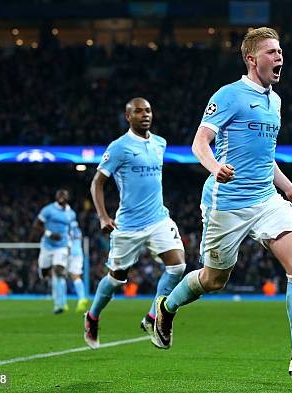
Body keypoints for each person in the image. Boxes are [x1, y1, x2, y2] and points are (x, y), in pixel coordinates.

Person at [152, 27, 292, 379]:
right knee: (214, 280)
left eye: (280, 51)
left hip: (267, 199)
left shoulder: (275, 101)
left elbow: (266, 159)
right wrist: (216, 167)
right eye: (271, 52)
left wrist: (291, 189)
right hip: (228, 203)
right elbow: (199, 143)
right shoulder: (230, 95)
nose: (279, 57)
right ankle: (167, 306)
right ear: (252, 59)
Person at [84, 97, 186, 349]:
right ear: (128, 116)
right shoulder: (119, 147)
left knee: (177, 266)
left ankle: (153, 317)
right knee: (117, 278)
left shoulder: (160, 143)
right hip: (128, 225)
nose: (145, 115)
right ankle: (92, 316)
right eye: (139, 111)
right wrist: (103, 216)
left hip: (158, 219)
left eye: (148, 110)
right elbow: (97, 182)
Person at [31, 189, 76, 314]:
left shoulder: (71, 213)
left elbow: (71, 231)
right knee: (44, 272)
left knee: (58, 271)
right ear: (56, 197)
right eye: (59, 194)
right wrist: (49, 234)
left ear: (68, 197)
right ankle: (49, 276)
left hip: (61, 247)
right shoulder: (48, 210)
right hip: (47, 246)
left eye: (64, 194)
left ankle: (59, 304)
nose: (61, 196)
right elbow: (36, 225)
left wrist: (69, 245)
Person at [69, 220, 89, 312]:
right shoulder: (78, 231)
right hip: (79, 252)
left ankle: (60, 302)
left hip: (69, 252)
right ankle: (82, 298)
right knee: (76, 276)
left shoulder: (67, 229)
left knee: (59, 274)